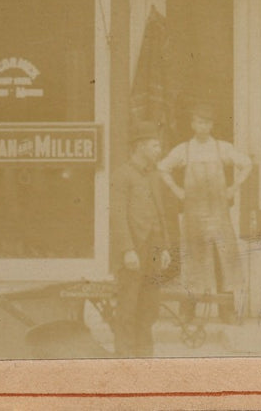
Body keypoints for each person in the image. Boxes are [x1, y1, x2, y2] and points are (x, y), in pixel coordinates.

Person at [158, 102, 251, 324]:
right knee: (193, 259)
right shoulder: (184, 149)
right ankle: (188, 310)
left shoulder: (222, 148)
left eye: (207, 122)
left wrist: (233, 188)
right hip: (194, 216)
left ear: (212, 125)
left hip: (219, 214)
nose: (202, 126)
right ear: (192, 124)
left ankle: (226, 310)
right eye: (199, 122)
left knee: (223, 259)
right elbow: (162, 168)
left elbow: (247, 164)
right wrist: (177, 190)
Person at [109, 120, 173, 357]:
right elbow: (117, 217)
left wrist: (165, 247)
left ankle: (145, 357)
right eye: (155, 146)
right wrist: (127, 250)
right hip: (134, 252)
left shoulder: (154, 176)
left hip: (154, 250)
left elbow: (161, 212)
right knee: (128, 306)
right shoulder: (122, 176)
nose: (159, 150)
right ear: (141, 147)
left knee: (150, 307)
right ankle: (125, 359)